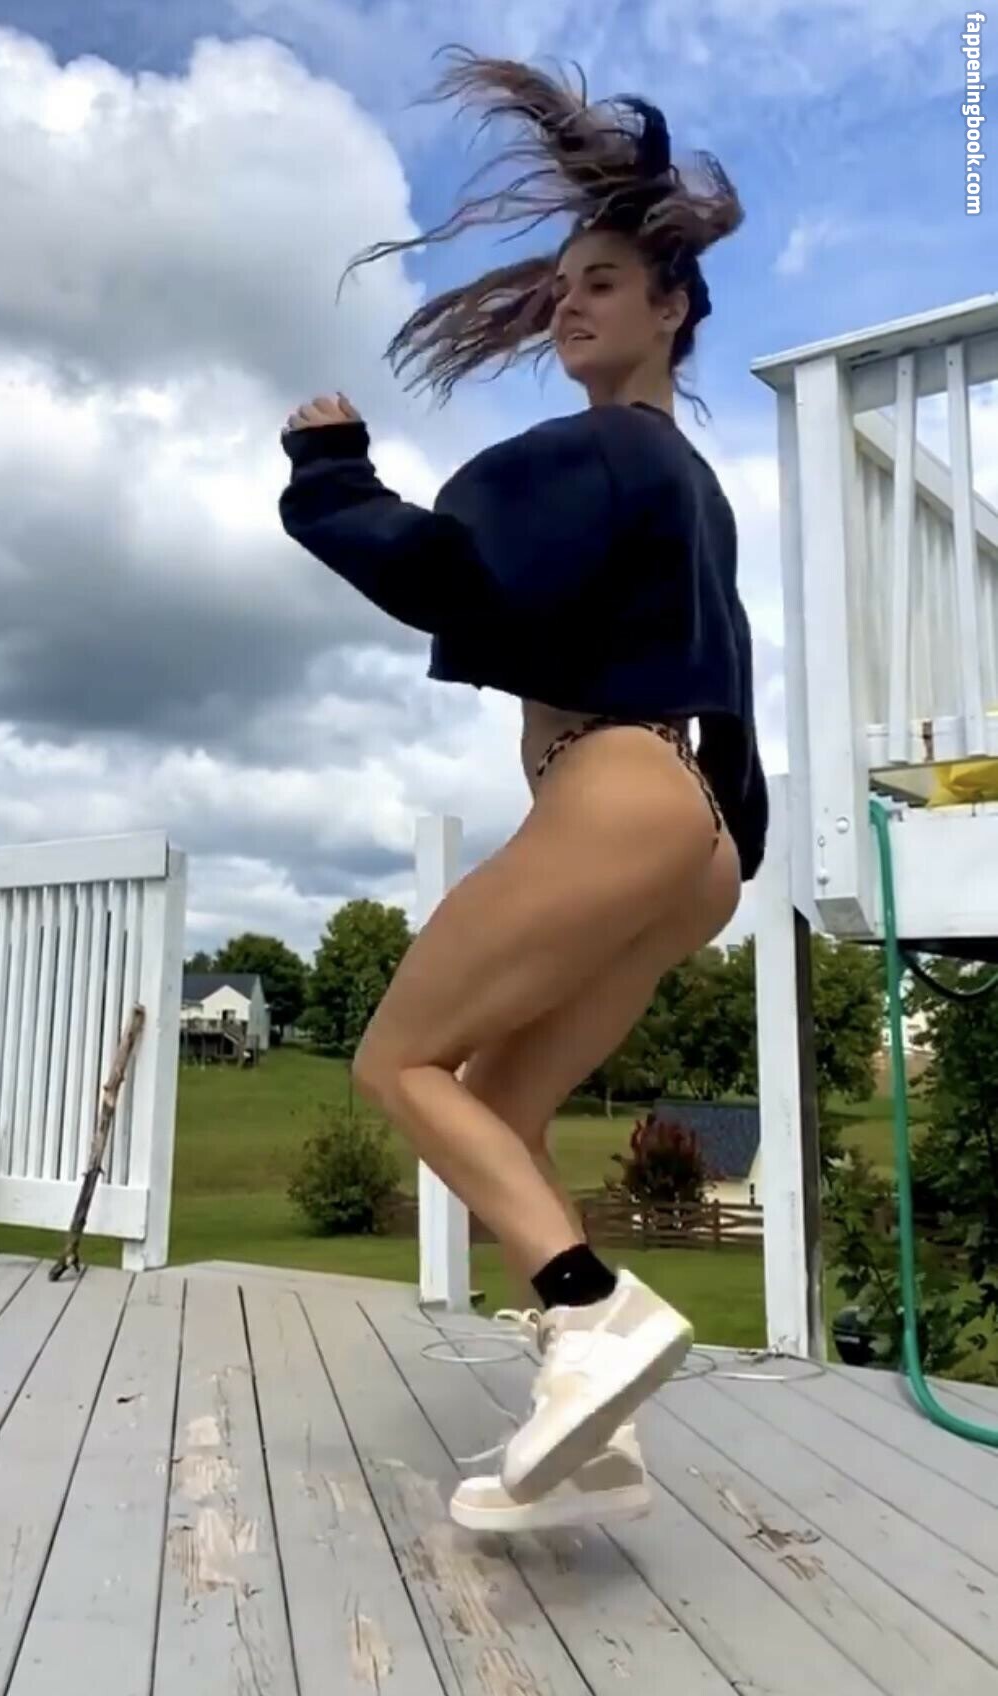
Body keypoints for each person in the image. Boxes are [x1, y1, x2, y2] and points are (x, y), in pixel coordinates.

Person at [278, 51, 767, 1532]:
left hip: (616, 789)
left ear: (673, 307)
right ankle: (594, 1433)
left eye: (602, 282)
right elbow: (694, 667)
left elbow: (448, 571)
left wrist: (328, 472)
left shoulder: (602, 450)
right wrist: (707, 833)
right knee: (501, 1103)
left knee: (400, 1063)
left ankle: (590, 1315)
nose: (569, 303)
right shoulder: (687, 480)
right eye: (560, 286)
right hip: (696, 830)